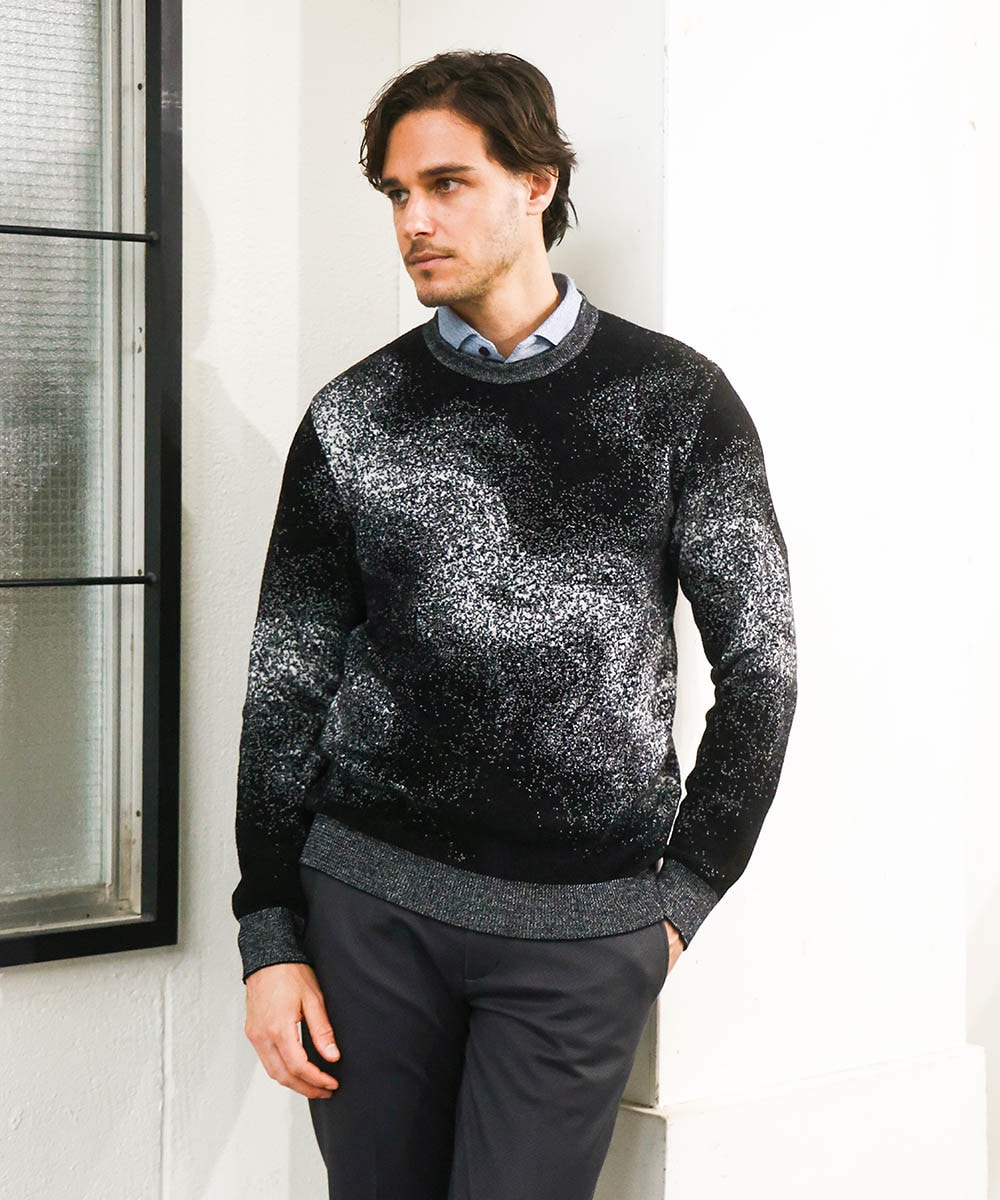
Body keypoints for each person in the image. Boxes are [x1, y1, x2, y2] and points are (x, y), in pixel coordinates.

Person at [232, 49, 797, 1200]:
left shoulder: (675, 402)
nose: (414, 221)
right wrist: (270, 937)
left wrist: (680, 898)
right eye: (397, 194)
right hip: (369, 915)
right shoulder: (355, 415)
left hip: (582, 938)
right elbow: (285, 683)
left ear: (537, 182)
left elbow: (762, 667)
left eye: (447, 184)